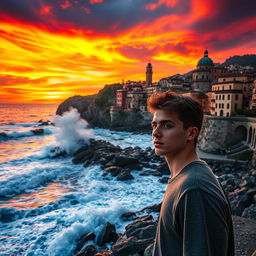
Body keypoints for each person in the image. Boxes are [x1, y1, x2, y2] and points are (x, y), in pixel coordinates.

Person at [147, 90, 234, 256]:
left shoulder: (195, 189)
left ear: (191, 133)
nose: (156, 132)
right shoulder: (184, 178)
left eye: (167, 125)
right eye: (154, 124)